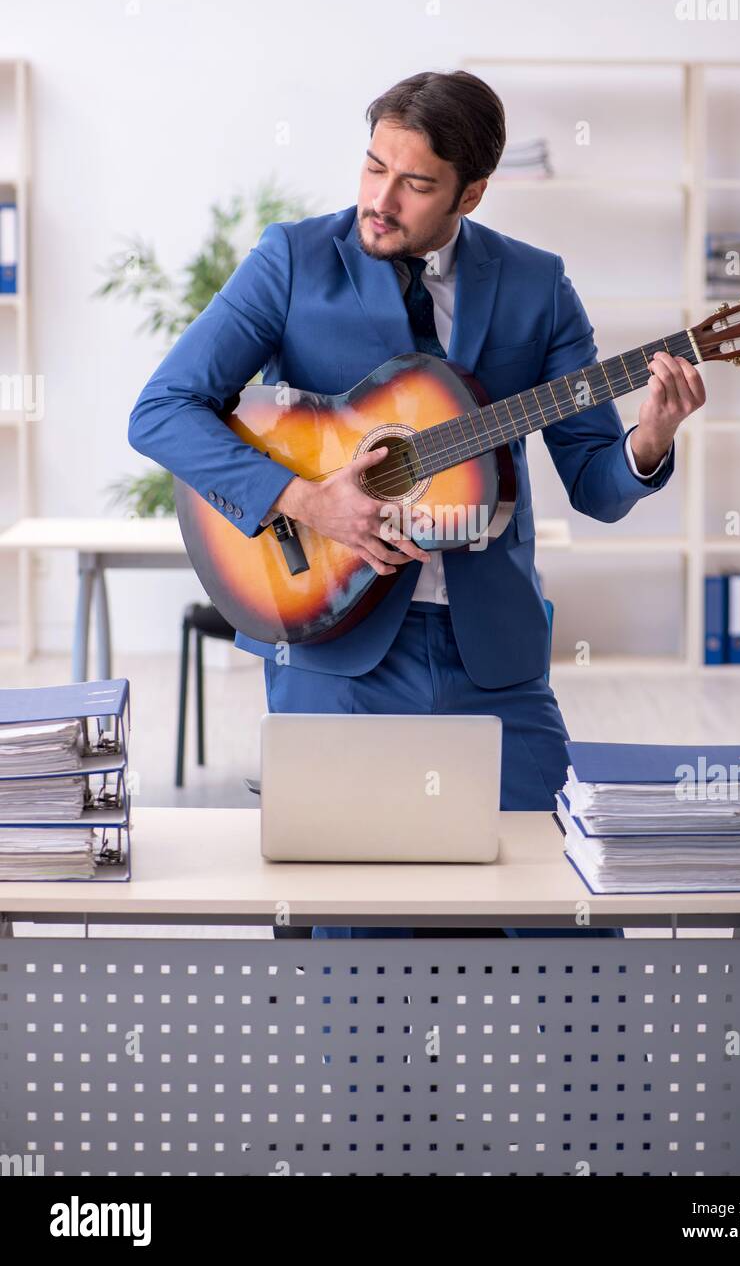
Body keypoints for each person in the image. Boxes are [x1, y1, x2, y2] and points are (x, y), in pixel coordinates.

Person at [128, 70, 705, 939]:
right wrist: (304, 500)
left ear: (471, 192)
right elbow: (162, 409)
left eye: (414, 183)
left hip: (493, 660)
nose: (379, 199)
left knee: (569, 916)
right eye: (371, 168)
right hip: (335, 653)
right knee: (355, 939)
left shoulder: (535, 284)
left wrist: (648, 443)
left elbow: (594, 481)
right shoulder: (292, 261)